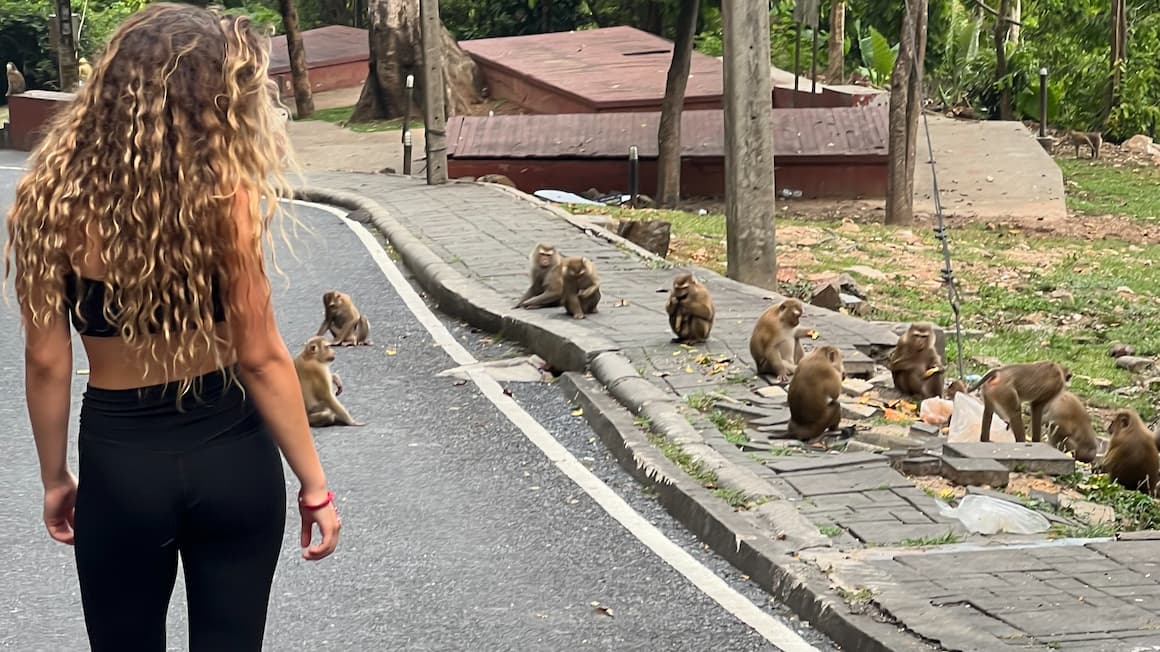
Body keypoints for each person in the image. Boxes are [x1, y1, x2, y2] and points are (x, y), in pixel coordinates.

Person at [4, 4, 340, 650]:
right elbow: (264, 356)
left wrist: (55, 477)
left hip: (122, 467)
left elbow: (47, 362)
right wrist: (315, 486)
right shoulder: (226, 197)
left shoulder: (47, 200)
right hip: (234, 459)